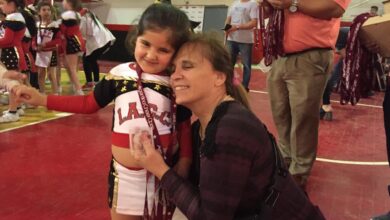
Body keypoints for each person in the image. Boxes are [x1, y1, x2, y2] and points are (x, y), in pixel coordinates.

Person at [14, 3, 192, 220]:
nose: (151, 55)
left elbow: (183, 126)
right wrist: (43, 99)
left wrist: (185, 161)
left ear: (176, 52)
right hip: (123, 178)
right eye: (145, 43)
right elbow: (88, 104)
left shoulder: (175, 84)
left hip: (162, 174)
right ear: (135, 38)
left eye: (163, 50)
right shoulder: (120, 74)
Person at [130, 34, 325, 220]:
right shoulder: (202, 127)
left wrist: (159, 169)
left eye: (187, 67)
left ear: (219, 78)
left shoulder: (231, 129)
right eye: (173, 69)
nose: (175, 76)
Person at [265, 0, 351, 190]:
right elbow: (265, 13)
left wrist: (293, 3)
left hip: (310, 55)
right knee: (281, 113)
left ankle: (299, 172)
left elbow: (334, 8)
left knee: (303, 117)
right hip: (280, 54)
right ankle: (286, 159)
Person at [0, 0, 28, 123]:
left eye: (2, 3)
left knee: (11, 83)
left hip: (11, 52)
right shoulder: (16, 17)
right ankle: (17, 107)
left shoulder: (12, 18)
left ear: (12, 4)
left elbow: (7, 39)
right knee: (16, 81)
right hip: (14, 51)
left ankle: (13, 112)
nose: (0, 6)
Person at [224, 0, 258, 92]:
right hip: (231, 39)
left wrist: (237, 27)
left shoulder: (253, 4)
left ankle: (244, 87)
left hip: (246, 41)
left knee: (246, 65)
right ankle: (228, 85)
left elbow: (254, 23)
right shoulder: (234, 4)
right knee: (229, 64)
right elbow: (228, 18)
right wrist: (226, 28)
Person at [79, 7, 115, 90]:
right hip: (106, 40)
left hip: (100, 42)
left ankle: (90, 83)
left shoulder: (84, 17)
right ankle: (96, 81)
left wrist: (83, 44)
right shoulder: (91, 15)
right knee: (91, 59)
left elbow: (86, 32)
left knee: (86, 59)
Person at [320, 26, 350, 121]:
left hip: (340, 52)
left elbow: (343, 54)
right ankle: (326, 105)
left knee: (329, 79)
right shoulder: (341, 33)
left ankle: (326, 106)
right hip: (338, 51)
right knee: (329, 78)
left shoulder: (341, 33)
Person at [34, 1, 60, 94]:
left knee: (51, 74)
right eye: (44, 10)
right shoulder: (37, 25)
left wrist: (45, 45)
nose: (46, 12)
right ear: (39, 12)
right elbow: (34, 38)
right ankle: (42, 93)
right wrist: (34, 46)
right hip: (40, 52)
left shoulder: (54, 25)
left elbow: (58, 40)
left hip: (50, 51)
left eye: (48, 10)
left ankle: (56, 93)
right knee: (40, 73)